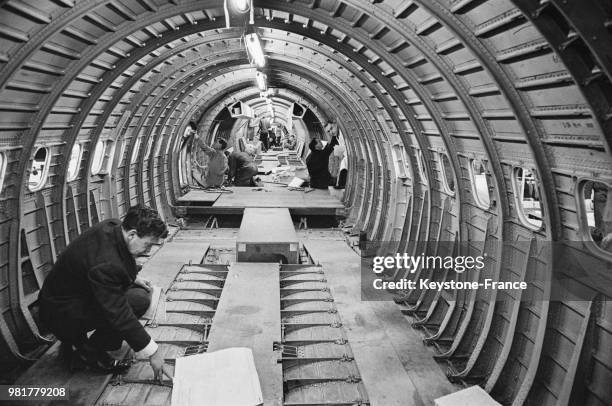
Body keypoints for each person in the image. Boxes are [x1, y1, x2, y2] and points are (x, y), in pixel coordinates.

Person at [38, 206, 172, 381]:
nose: (149, 250)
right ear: (132, 234)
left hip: (64, 298)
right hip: (61, 314)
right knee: (137, 302)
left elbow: (103, 266)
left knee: (137, 294)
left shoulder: (113, 226)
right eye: (147, 244)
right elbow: (120, 314)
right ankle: (90, 351)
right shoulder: (107, 265)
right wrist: (153, 353)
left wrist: (132, 279)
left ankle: (85, 342)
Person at [306, 121, 339, 189]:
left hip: (313, 183)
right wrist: (334, 134)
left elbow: (326, 149)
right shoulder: (321, 155)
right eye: (319, 142)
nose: (321, 141)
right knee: (339, 181)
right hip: (324, 183)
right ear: (316, 146)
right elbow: (331, 146)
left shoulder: (309, 156)